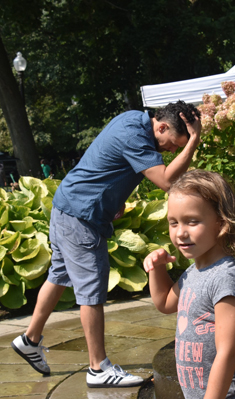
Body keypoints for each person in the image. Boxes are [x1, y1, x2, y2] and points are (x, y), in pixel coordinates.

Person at [11, 101, 202, 388]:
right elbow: (166, 181)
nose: (171, 150)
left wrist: (113, 198)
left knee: (59, 275)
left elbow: (109, 165)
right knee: (92, 290)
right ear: (161, 126)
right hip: (81, 218)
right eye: (174, 144)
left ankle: (29, 339)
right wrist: (195, 141)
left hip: (68, 206)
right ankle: (98, 368)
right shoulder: (136, 135)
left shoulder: (132, 122)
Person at [143, 169, 235, 399]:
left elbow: (227, 352)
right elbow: (165, 303)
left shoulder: (226, 277)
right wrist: (156, 270)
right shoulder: (193, 271)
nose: (180, 233)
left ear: (222, 223)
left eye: (192, 221)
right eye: (173, 223)